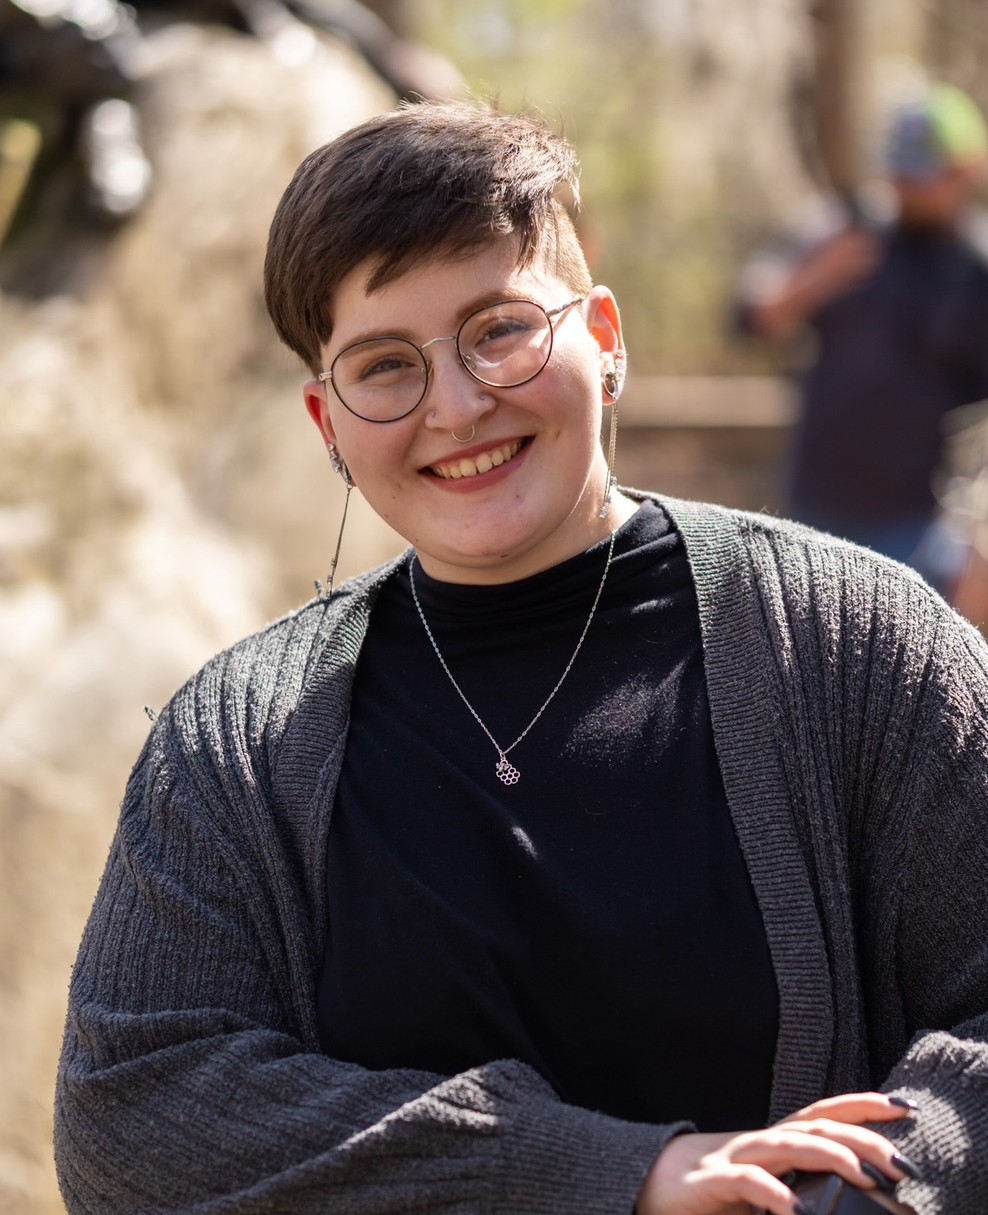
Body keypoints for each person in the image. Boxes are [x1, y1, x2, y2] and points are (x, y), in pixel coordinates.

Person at [54, 100, 988, 1215]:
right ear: (325, 423)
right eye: (384, 366)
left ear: (602, 336)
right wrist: (615, 1174)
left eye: (499, 330)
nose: (455, 406)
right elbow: (129, 1115)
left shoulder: (855, 639)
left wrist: (854, 1193)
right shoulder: (237, 740)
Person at [737, 83, 988, 594]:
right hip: (813, 510)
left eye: (924, 175)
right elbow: (747, 317)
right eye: (900, 171)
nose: (906, 188)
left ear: (966, 171)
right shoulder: (843, 230)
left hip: (920, 524)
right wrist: (809, 285)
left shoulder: (976, 266)